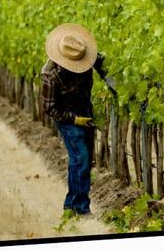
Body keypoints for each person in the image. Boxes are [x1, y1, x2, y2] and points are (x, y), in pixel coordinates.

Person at [40, 23, 115, 216]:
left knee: (83, 160)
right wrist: (74, 120)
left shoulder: (85, 54)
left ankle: (72, 204)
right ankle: (80, 208)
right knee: (80, 157)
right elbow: (49, 107)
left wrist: (117, 88)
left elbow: (105, 68)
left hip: (85, 108)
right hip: (66, 115)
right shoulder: (50, 74)